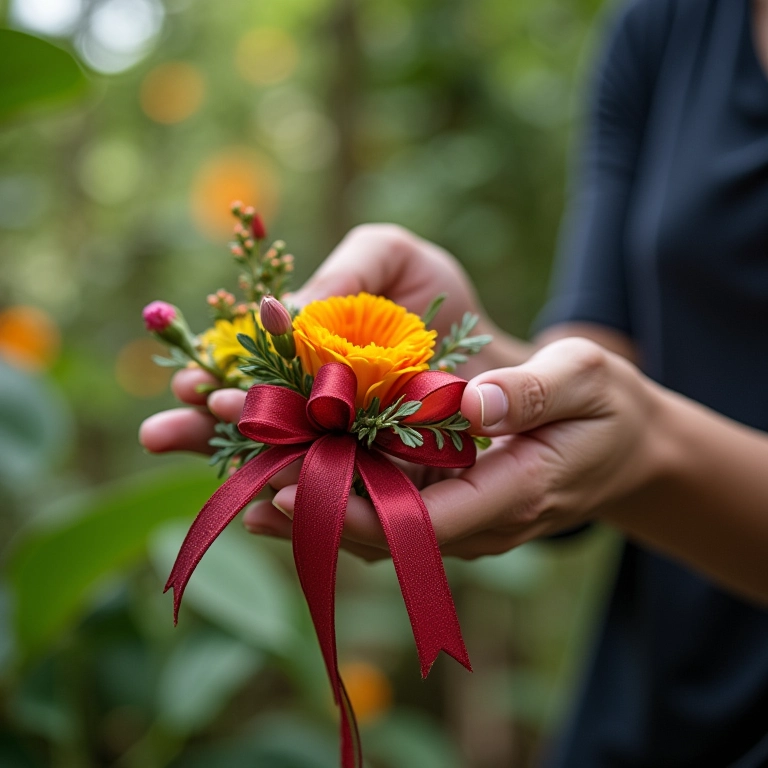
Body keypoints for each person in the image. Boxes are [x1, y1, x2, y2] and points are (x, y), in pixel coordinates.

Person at [141, 0, 768, 763]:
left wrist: (647, 456)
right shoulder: (662, 27)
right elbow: (589, 369)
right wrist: (488, 397)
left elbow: (624, 429)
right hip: (645, 703)